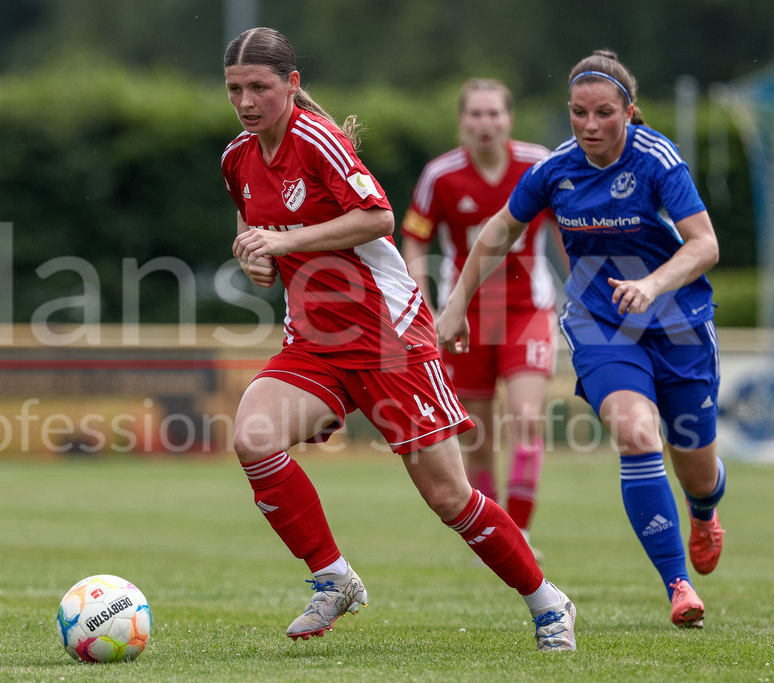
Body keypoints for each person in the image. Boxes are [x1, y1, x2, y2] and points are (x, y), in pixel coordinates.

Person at [220, 27, 576, 651]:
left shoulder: (317, 141)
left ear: (292, 85)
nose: (247, 102)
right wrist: (255, 255)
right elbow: (254, 230)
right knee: (253, 436)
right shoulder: (237, 159)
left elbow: (378, 216)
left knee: (447, 496)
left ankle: (548, 602)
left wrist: (282, 242)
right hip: (314, 340)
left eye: (260, 88)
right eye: (235, 90)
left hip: (389, 338)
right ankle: (333, 578)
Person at [436, 50, 727, 629]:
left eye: (603, 114)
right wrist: (456, 302)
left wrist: (652, 283)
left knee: (697, 469)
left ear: (629, 112)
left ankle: (703, 512)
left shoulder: (657, 159)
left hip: (679, 328)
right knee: (635, 432)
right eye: (578, 113)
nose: (590, 126)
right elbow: (498, 232)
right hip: (602, 329)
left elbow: (705, 245)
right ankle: (677, 586)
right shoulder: (554, 170)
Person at [401, 79, 564, 559]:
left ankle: (521, 532)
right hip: (464, 317)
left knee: (528, 418)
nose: (485, 123)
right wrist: (424, 302)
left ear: (509, 119)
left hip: (527, 310)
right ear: (462, 122)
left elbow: (565, 230)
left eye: (494, 114)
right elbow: (415, 236)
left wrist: (584, 295)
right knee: (477, 436)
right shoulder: (441, 175)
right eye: (476, 114)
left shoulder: (538, 164)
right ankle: (495, 534)